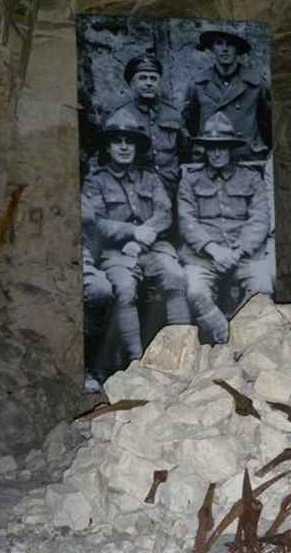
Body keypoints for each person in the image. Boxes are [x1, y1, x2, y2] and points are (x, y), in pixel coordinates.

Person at [81, 109, 190, 386]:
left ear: (137, 147)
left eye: (130, 142)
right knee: (124, 288)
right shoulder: (96, 181)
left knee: (175, 277)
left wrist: (141, 237)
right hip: (115, 253)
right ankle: (135, 363)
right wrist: (130, 231)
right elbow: (94, 223)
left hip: (153, 248)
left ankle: (184, 356)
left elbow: (165, 213)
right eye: (118, 141)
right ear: (108, 146)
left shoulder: (150, 179)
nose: (124, 147)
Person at [178, 112, 274, 344]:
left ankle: (239, 335)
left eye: (222, 147)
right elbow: (186, 219)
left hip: (243, 255)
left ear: (231, 149)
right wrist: (213, 249)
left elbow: (260, 219)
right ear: (205, 150)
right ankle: (228, 342)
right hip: (203, 257)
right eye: (211, 148)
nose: (217, 153)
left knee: (262, 286)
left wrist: (238, 251)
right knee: (195, 292)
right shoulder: (190, 180)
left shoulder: (251, 178)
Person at [183, 28, 272, 161]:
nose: (225, 49)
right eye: (219, 43)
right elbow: (188, 123)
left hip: (247, 158)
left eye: (230, 44)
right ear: (212, 48)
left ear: (237, 49)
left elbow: (269, 124)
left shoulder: (256, 83)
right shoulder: (198, 84)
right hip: (210, 159)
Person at [110, 54, 188, 199]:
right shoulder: (120, 115)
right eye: (143, 78)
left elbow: (186, 152)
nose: (149, 83)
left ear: (159, 83)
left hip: (172, 189)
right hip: (137, 192)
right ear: (132, 83)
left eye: (153, 78)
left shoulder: (173, 114)